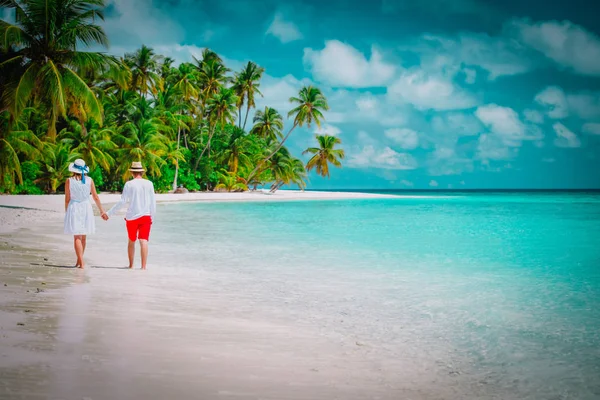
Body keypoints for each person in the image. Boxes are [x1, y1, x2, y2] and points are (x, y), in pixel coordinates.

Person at [105, 161, 156, 270]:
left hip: (132, 218)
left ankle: (131, 265)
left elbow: (122, 202)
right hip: (146, 217)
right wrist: (152, 217)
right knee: (144, 241)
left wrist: (109, 213)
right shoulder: (149, 183)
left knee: (131, 241)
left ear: (132, 172)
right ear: (142, 172)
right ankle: (143, 267)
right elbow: (153, 202)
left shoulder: (129, 184)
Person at [64, 159, 108, 269]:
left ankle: (81, 262)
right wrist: (102, 211)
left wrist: (67, 211)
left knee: (77, 237)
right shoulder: (89, 180)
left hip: (74, 207)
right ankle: (80, 261)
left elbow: (67, 198)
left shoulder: (69, 181)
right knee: (83, 237)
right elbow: (95, 196)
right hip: (86, 207)